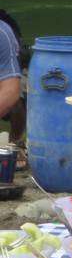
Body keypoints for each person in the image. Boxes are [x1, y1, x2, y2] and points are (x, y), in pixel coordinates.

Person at [0, 10, 27, 156]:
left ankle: (16, 142)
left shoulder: (2, 32)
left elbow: (10, 92)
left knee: (17, 102)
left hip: (12, 67)